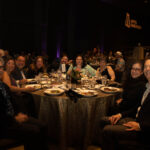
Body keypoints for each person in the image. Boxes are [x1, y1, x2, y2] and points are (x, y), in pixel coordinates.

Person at [0, 58, 49, 150]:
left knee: (43, 125)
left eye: (1, 68)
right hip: (5, 125)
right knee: (34, 130)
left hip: (12, 116)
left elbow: (10, 102)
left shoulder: (3, 85)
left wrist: (18, 113)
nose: (0, 70)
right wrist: (14, 118)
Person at [101, 58, 150, 150]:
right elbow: (137, 106)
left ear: (141, 72)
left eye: (137, 69)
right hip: (136, 119)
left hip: (143, 131)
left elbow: (132, 106)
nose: (147, 69)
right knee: (105, 118)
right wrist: (120, 115)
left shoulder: (142, 86)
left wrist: (140, 126)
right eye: (146, 67)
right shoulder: (147, 87)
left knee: (106, 128)